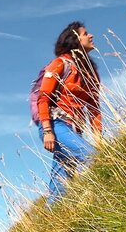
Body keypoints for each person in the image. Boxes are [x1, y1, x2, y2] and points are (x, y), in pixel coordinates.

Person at [37, 21, 102, 206]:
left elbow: (94, 107)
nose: (91, 36)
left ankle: (50, 216)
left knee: (61, 182)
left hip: (75, 131)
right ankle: (102, 199)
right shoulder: (60, 64)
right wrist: (48, 131)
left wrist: (98, 138)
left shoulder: (91, 72)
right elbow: (43, 98)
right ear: (74, 40)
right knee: (93, 157)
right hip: (56, 126)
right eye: (85, 34)